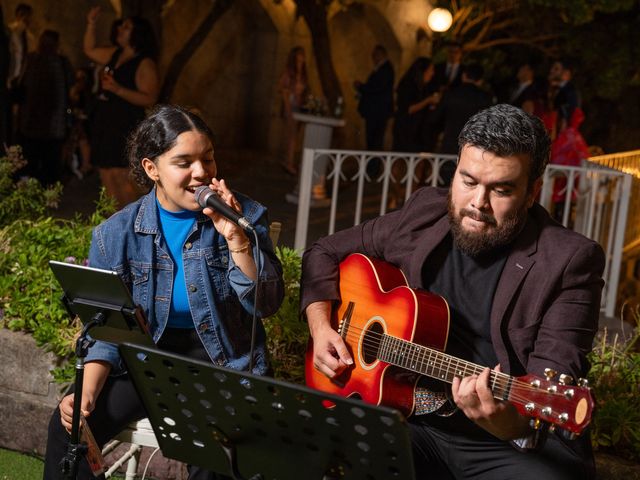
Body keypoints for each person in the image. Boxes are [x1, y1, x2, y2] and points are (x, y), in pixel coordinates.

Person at [301, 104, 605, 480]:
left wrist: (509, 424)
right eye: (468, 180)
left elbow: (553, 375)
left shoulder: (569, 260)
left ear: (532, 193)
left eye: (501, 189)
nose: (478, 203)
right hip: (408, 417)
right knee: (315, 447)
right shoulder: (425, 212)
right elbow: (324, 252)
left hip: (500, 441)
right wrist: (321, 328)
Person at [43, 104, 285, 480]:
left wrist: (236, 238)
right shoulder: (115, 235)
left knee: (215, 454)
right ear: (151, 169)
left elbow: (266, 304)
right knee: (67, 429)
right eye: (183, 162)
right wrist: (85, 397)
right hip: (147, 365)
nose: (202, 173)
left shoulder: (245, 216)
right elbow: (107, 328)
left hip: (220, 367)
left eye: (208, 159)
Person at [83, 6, 160, 209]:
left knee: (122, 176)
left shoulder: (144, 63)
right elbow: (90, 50)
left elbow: (149, 98)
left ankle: (135, 224)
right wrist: (91, 23)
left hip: (124, 124)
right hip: (105, 122)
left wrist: (117, 89)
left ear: (137, 34)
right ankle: (114, 225)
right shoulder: (115, 54)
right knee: (105, 172)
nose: (120, 29)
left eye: (126, 27)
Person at [17, 29, 73, 186]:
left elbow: (20, 83)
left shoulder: (33, 59)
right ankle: (47, 191)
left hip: (34, 119)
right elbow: (71, 83)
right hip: (50, 122)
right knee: (49, 161)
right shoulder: (60, 61)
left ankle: (36, 190)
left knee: (35, 159)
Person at [432, 63, 493, 185]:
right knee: (467, 185)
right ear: (480, 80)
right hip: (474, 150)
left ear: (464, 76)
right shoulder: (485, 97)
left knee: (445, 185)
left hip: (449, 147)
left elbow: (434, 119)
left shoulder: (450, 94)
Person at [355, 44, 395, 152]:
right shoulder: (381, 69)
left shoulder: (385, 70)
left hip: (378, 112)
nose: (373, 58)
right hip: (375, 111)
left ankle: (373, 167)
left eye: (375, 55)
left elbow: (376, 88)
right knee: (372, 141)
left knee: (375, 141)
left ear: (380, 55)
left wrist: (361, 87)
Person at [278, 46, 308, 176]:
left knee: (295, 136)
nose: (302, 58)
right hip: (291, 107)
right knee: (291, 136)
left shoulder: (303, 73)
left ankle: (288, 161)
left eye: (303, 55)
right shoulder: (289, 72)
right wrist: (288, 108)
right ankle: (288, 162)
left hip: (300, 106)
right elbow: (283, 89)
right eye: (299, 55)